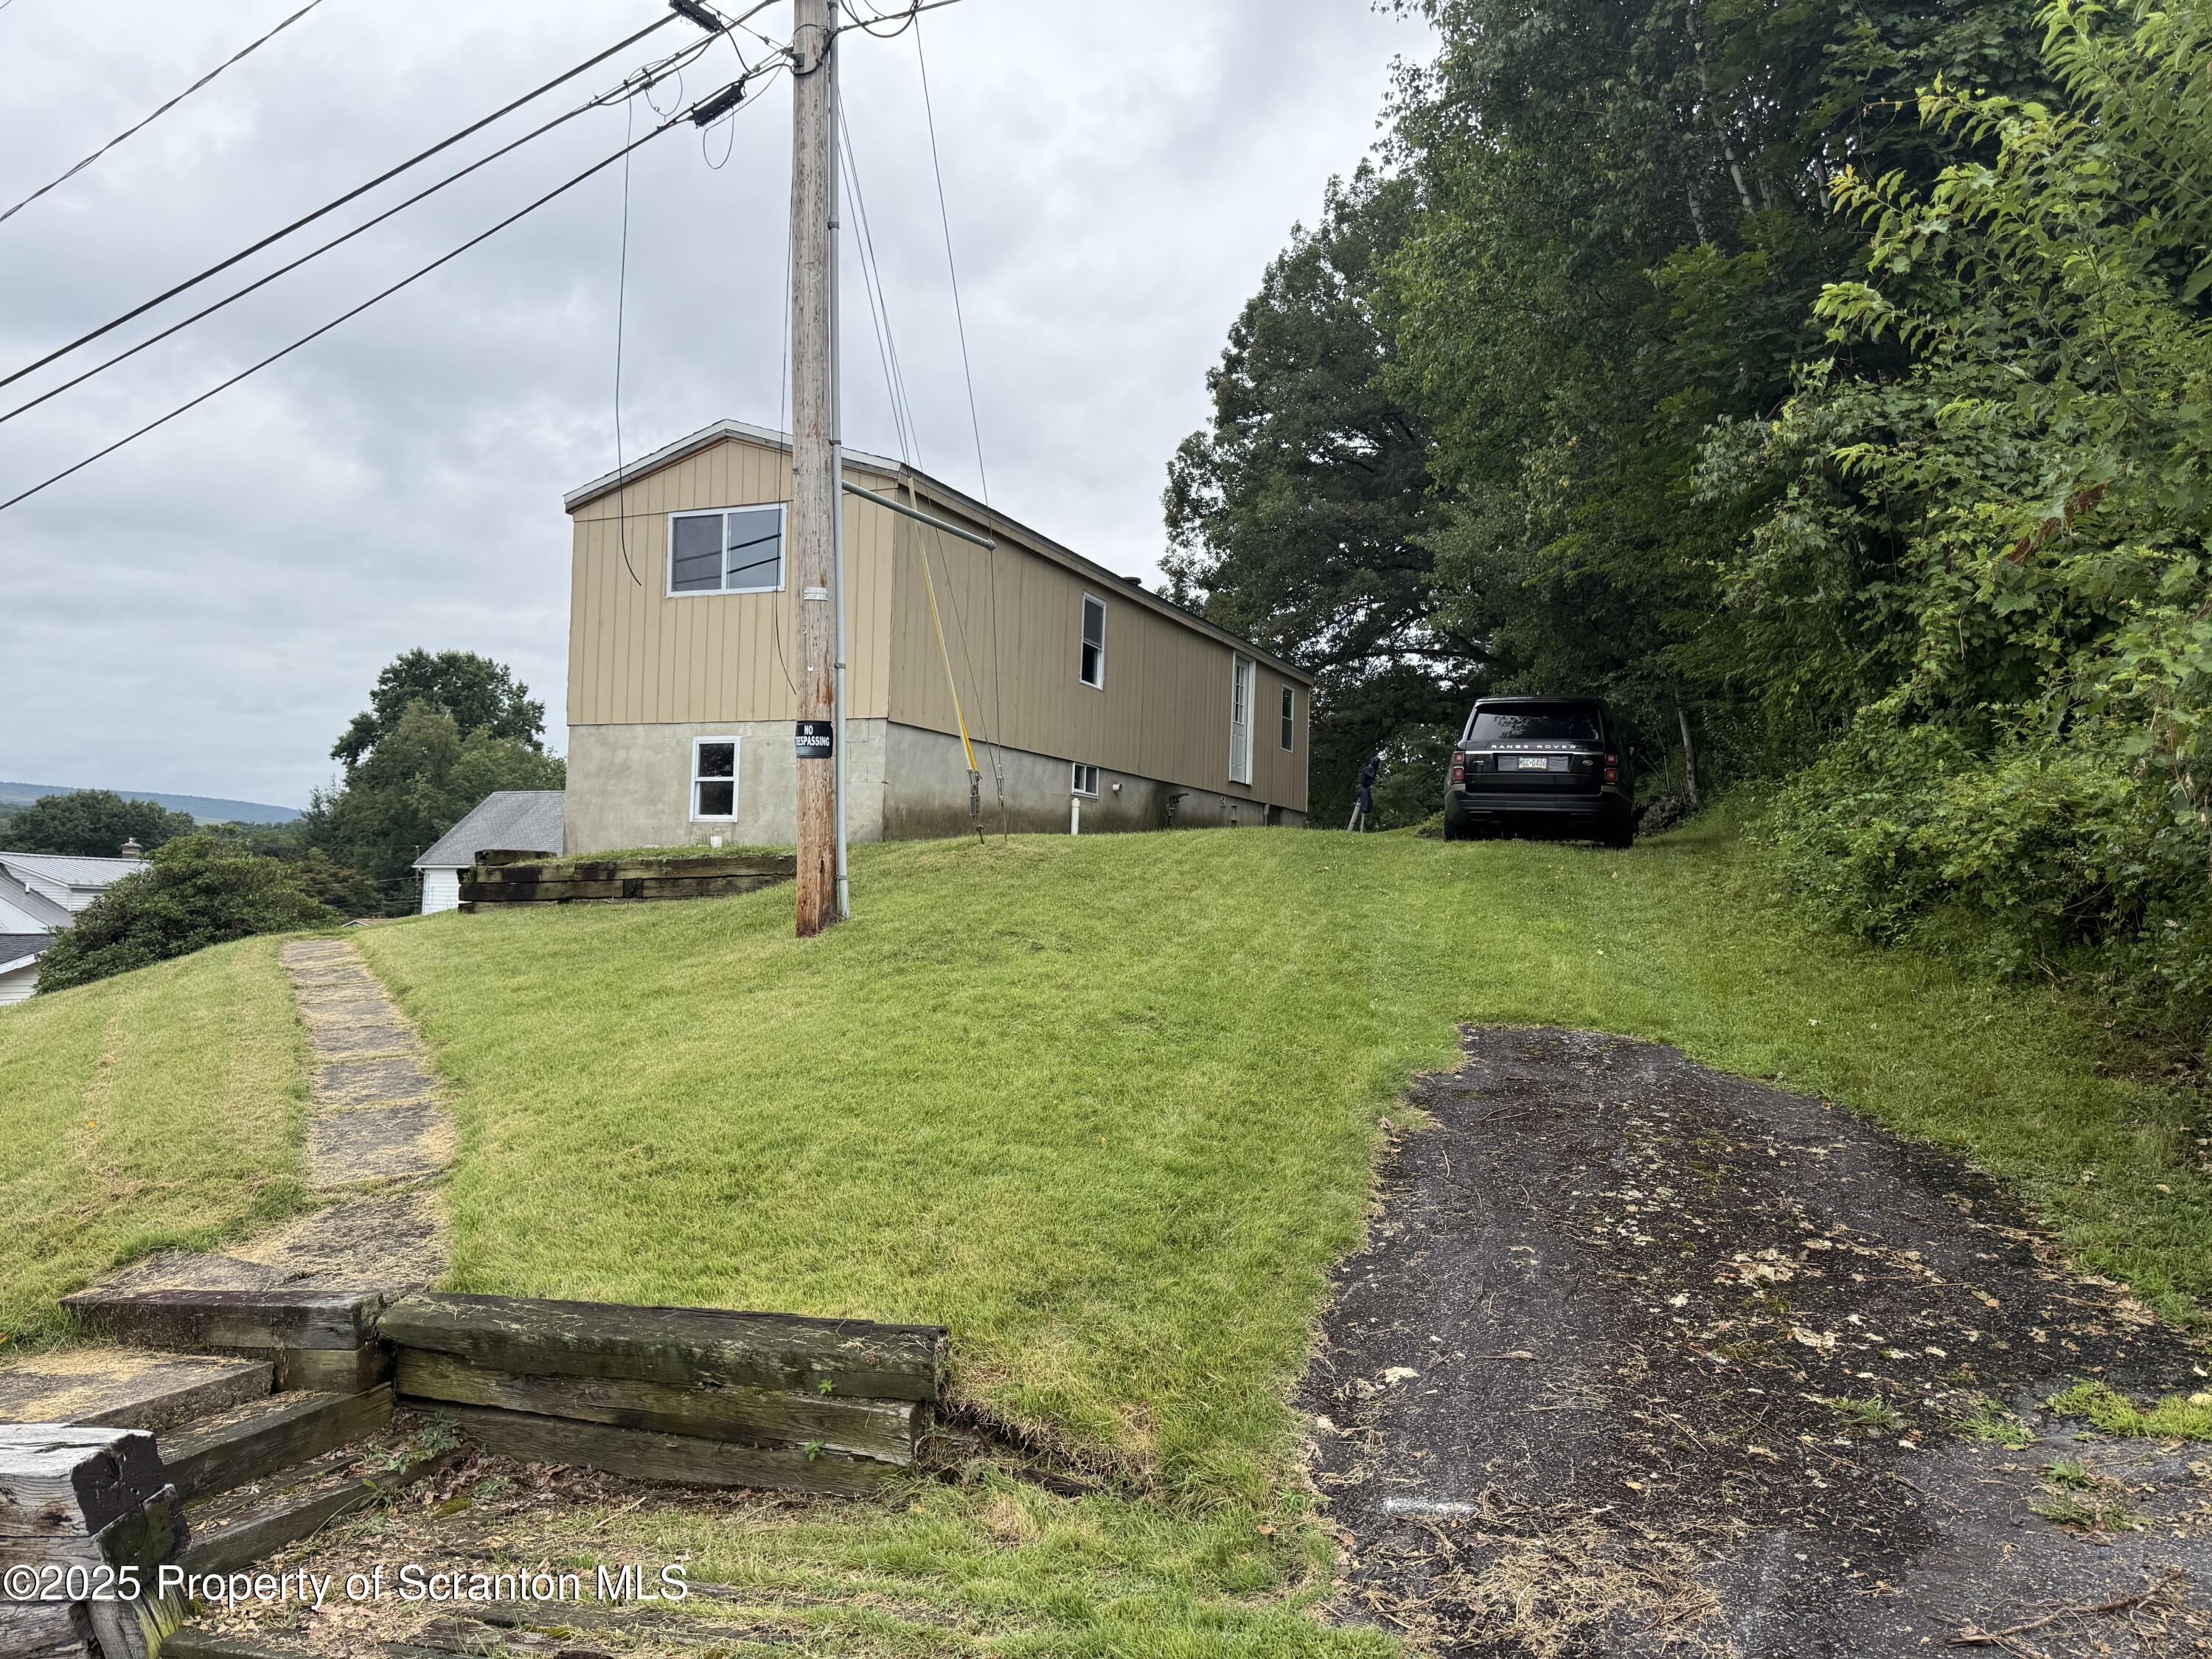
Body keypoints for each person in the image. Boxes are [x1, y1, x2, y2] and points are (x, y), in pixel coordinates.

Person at [1353, 753, 1380, 832]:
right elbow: (1370, 775)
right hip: (1364, 789)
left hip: (1365, 789)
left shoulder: (1370, 770)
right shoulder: (1369, 770)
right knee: (1365, 804)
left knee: (1367, 804)